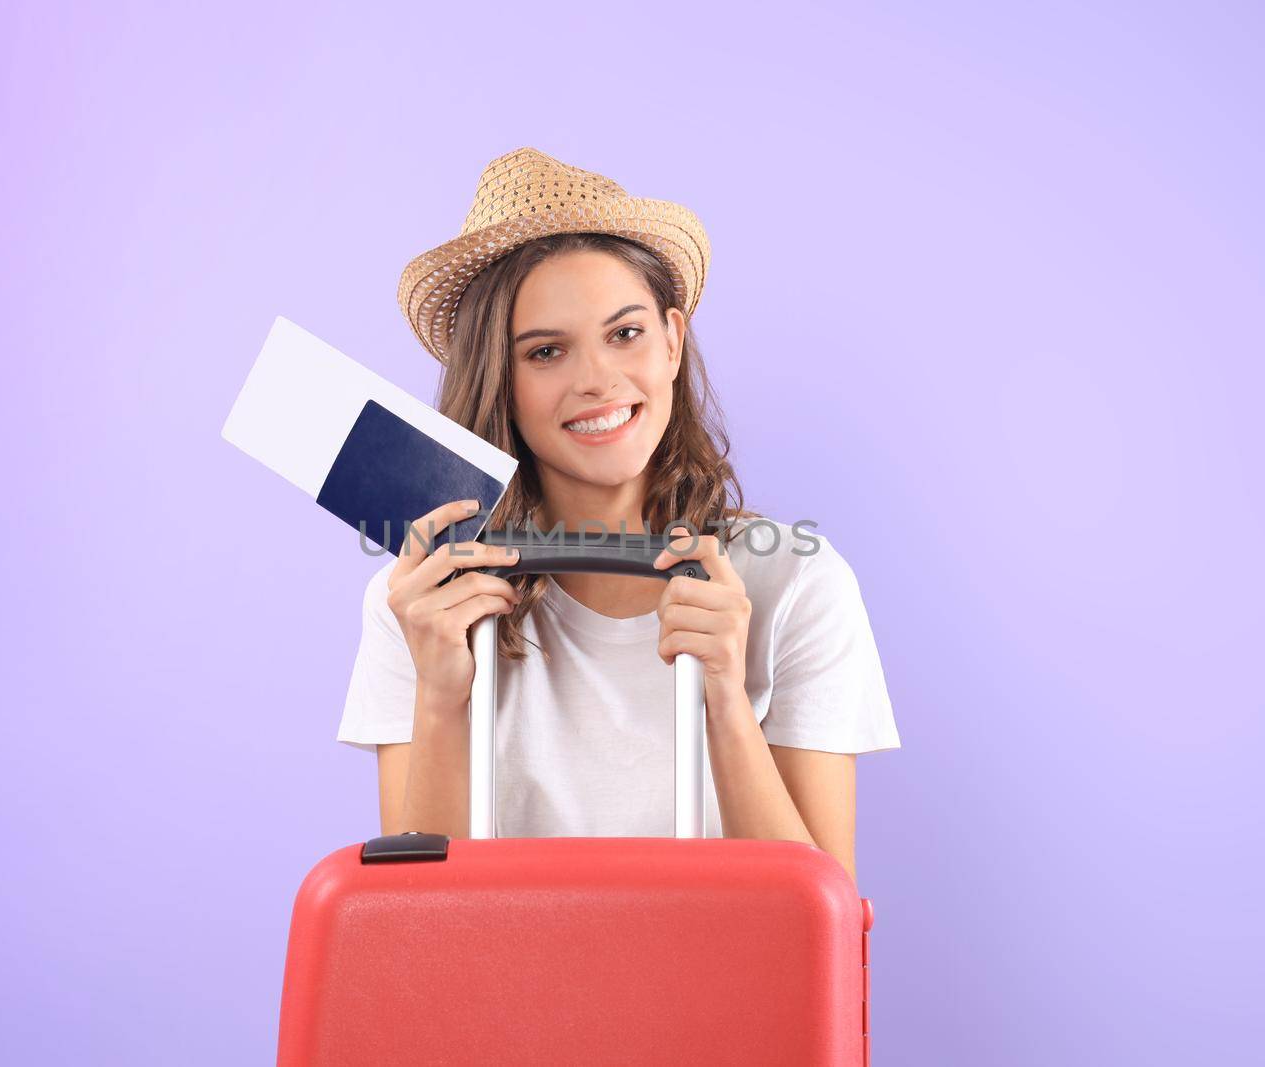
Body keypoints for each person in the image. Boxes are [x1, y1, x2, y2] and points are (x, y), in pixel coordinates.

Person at [337, 147, 899, 883]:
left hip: (724, 995)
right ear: (497, 380)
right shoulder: (419, 602)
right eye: (545, 352)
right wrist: (442, 696)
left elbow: (824, 924)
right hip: (514, 994)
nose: (598, 380)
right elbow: (417, 922)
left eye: (625, 333)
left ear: (671, 339)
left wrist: (726, 700)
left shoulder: (797, 582)